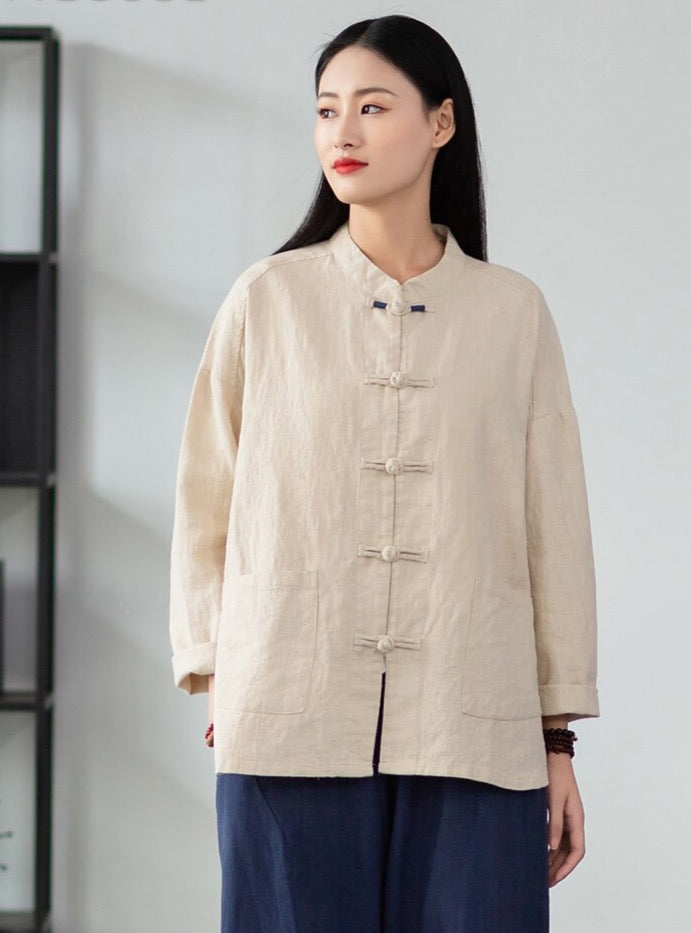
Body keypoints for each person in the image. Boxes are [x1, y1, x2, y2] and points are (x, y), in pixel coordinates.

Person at [169, 13, 600, 932]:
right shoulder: (268, 299)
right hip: (290, 711)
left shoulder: (512, 314)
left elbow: (553, 528)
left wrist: (558, 740)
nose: (343, 132)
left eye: (372, 106)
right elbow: (208, 497)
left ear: (442, 122)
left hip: (473, 719)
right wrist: (219, 670)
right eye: (327, 110)